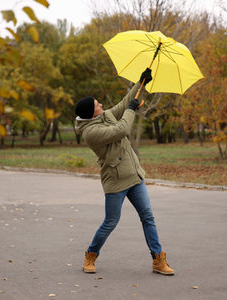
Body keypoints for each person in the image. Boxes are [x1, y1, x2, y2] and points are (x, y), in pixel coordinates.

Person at [74, 68, 174, 276]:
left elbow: (123, 103)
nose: (101, 105)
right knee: (110, 222)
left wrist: (141, 83)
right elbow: (121, 130)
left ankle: (158, 259)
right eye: (97, 105)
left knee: (148, 216)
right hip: (116, 181)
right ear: (92, 113)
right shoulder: (91, 132)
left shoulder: (105, 115)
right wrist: (131, 110)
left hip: (134, 176)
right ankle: (91, 254)